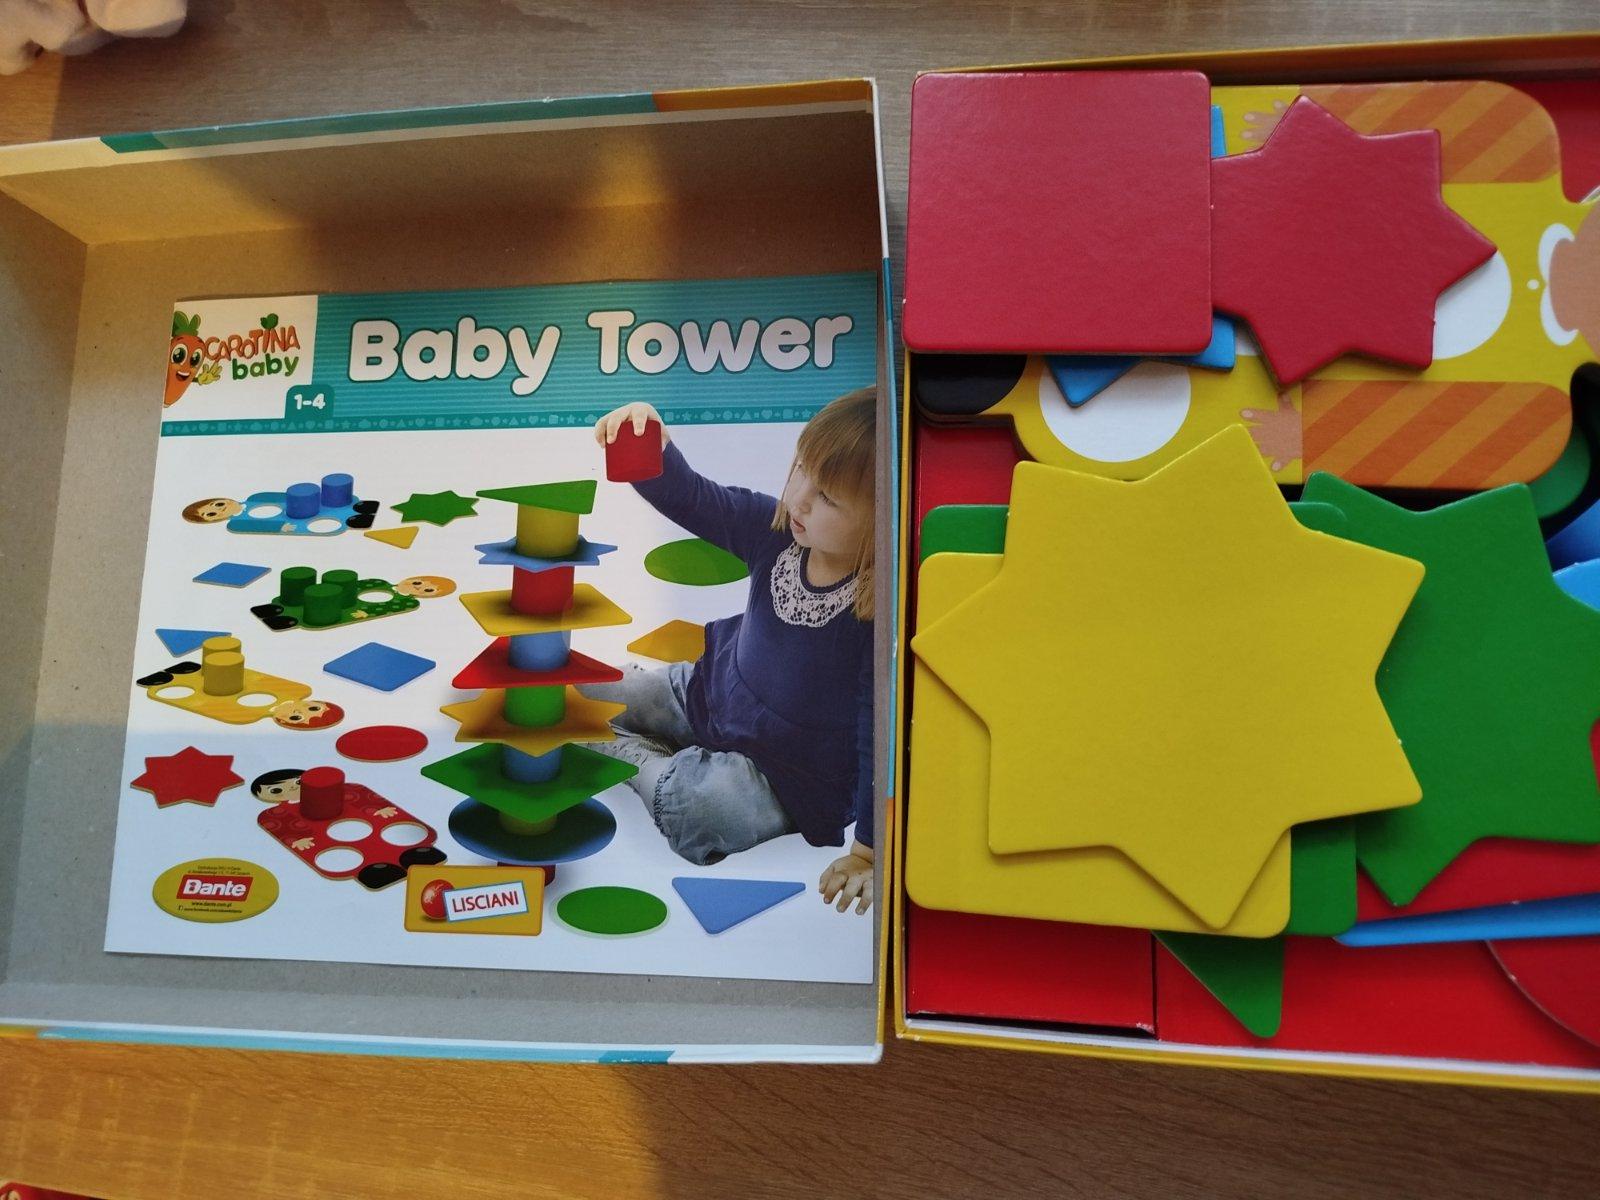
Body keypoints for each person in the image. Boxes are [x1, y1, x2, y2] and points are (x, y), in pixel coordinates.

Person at [587, 388, 878, 914]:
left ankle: (629, 756)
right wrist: (653, 446)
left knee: (697, 813)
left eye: (828, 498)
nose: (799, 499)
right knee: (590, 689)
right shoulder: (776, 531)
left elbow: (877, 737)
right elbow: (695, 497)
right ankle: (665, 749)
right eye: (800, 470)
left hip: (786, 774)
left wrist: (866, 853)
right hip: (708, 693)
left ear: (884, 519)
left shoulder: (874, 614)